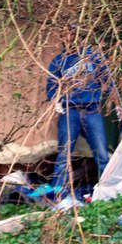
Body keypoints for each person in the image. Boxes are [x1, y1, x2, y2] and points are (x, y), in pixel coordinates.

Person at [45, 34, 113, 200]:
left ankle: (108, 193)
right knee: (64, 155)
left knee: (102, 154)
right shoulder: (59, 61)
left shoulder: (94, 57)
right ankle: (58, 194)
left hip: (92, 109)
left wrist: (114, 101)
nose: (72, 41)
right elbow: (51, 84)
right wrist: (56, 101)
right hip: (70, 111)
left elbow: (108, 80)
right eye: (68, 38)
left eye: (76, 37)